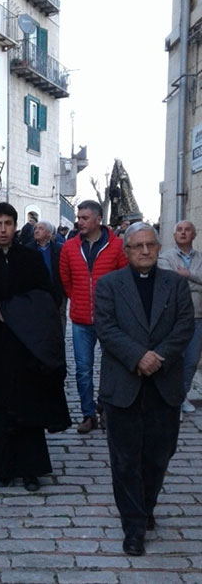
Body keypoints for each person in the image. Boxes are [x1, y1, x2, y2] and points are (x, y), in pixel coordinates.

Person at [95, 223, 194, 556]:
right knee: (125, 460)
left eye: (151, 245)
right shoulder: (109, 284)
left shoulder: (175, 284)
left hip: (163, 384)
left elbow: (184, 326)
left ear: (157, 246)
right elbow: (105, 327)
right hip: (124, 382)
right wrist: (138, 356)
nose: (145, 251)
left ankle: (146, 506)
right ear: (126, 251)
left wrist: (158, 358)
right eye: (138, 246)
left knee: (158, 456)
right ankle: (133, 527)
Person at [0, 202, 71, 492]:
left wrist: (24, 315)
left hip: (26, 345)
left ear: (15, 225)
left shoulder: (32, 259)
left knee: (28, 404)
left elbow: (47, 296)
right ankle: (1, 467)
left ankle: (30, 470)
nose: (3, 230)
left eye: (8, 224)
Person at [59, 200, 128, 433]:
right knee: (83, 369)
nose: (80, 221)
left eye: (84, 218)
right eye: (79, 217)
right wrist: (79, 300)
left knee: (111, 368)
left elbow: (123, 280)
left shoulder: (117, 246)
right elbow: (66, 279)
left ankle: (106, 409)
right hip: (80, 320)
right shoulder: (69, 247)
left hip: (110, 320)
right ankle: (88, 414)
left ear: (98, 219)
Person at [158, 220, 202, 413]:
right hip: (173, 318)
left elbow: (181, 280)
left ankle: (181, 397)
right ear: (174, 235)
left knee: (191, 361)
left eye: (187, 230)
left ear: (194, 235)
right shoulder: (165, 257)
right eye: (179, 230)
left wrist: (188, 274)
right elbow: (170, 282)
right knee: (174, 360)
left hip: (197, 316)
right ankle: (171, 400)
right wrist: (196, 284)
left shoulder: (200, 258)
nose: (183, 233)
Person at [27, 220, 66, 330]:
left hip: (57, 289)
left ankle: (59, 341)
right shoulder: (28, 249)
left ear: (49, 233)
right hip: (36, 291)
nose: (37, 231)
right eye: (36, 228)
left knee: (59, 316)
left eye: (41, 228)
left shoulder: (59, 249)